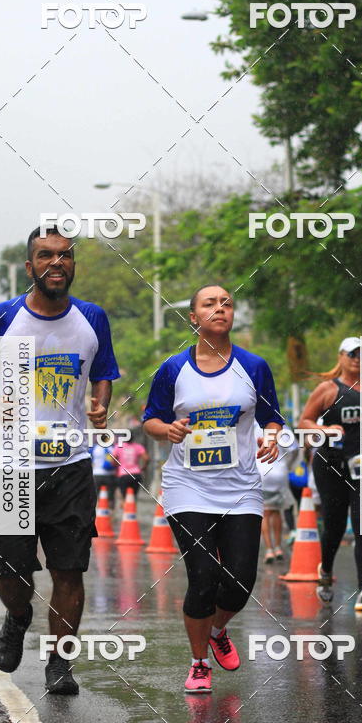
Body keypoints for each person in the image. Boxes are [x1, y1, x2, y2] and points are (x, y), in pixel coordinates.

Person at [0, 225, 120, 695]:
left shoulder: (92, 317)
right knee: (10, 570)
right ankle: (18, 617)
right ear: (30, 265)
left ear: (73, 264)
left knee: (69, 568)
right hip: (11, 463)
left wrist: (100, 404)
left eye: (65, 256)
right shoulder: (4, 316)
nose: (57, 263)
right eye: (46, 256)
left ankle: (60, 662)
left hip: (70, 463)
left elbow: (104, 374)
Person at [143, 284, 284, 693]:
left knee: (239, 580)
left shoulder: (254, 366)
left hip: (241, 487)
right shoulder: (173, 369)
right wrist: (167, 429)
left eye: (227, 303)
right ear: (193, 316)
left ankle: (219, 630)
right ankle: (199, 661)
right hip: (188, 486)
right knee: (202, 576)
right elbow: (150, 419)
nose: (220, 309)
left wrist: (271, 437)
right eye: (210, 304)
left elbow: (273, 417)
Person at [299, 337, 362, 612]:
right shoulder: (328, 389)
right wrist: (322, 430)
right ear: (341, 356)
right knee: (334, 526)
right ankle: (326, 573)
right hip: (330, 464)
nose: (358, 359)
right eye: (352, 354)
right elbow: (304, 421)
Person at [255, 423, 295, 562]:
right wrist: (286, 467)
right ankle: (278, 547)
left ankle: (269, 550)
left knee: (265, 513)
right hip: (280, 475)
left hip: (262, 473)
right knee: (277, 512)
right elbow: (293, 450)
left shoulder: (254, 425)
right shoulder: (283, 428)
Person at [111, 430, 149, 499]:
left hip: (123, 475)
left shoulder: (118, 446)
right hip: (136, 474)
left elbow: (113, 460)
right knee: (133, 497)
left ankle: (125, 506)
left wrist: (117, 467)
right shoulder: (138, 447)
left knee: (124, 497)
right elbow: (146, 458)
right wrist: (143, 467)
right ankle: (132, 507)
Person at [91, 441, 116, 506]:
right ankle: (111, 513)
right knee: (111, 496)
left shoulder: (95, 448)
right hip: (110, 475)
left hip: (97, 474)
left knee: (96, 496)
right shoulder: (112, 448)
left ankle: (98, 511)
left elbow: (91, 461)